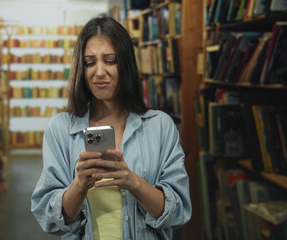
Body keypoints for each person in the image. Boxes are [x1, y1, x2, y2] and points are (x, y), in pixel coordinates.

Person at [31, 16, 191, 240]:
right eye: (89, 62)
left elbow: (178, 213)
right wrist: (79, 185)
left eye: (110, 60)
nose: (99, 72)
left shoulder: (160, 126)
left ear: (125, 64)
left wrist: (132, 181)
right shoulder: (60, 129)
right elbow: (49, 220)